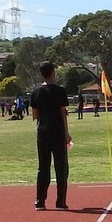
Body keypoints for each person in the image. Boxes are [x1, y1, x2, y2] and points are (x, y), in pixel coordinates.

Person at [30, 61, 72, 211]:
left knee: (43, 167)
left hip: (42, 133)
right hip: (58, 132)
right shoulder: (60, 91)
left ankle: (40, 201)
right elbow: (63, 113)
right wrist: (67, 132)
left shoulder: (36, 91)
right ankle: (60, 202)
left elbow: (35, 116)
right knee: (61, 168)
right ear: (53, 72)